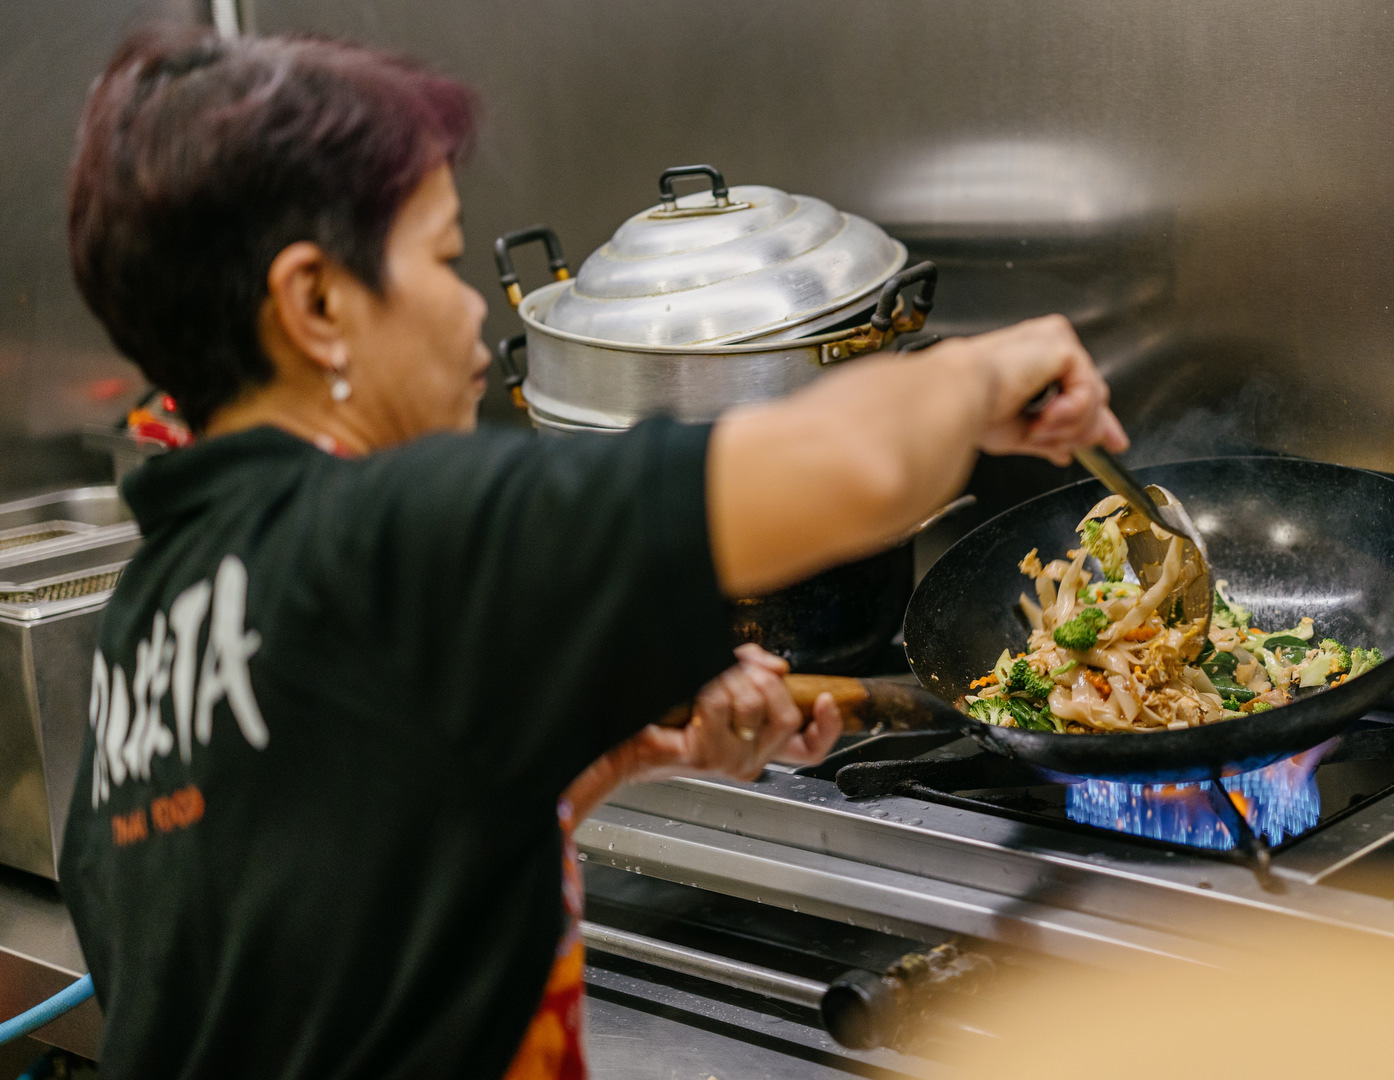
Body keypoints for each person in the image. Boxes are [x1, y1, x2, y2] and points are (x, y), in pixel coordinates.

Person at [58, 27, 1126, 1080]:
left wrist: (587, 770)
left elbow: (328, 915)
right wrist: (994, 368)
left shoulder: (148, 622)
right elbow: (853, 469)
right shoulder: (383, 532)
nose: (479, 311)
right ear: (317, 305)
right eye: (439, 259)